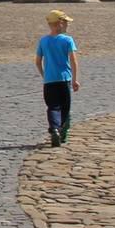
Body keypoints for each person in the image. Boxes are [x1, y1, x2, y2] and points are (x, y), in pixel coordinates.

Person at [36, 10, 80, 147]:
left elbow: (38, 61)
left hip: (49, 81)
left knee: (53, 107)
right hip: (64, 79)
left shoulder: (43, 41)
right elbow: (73, 61)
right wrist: (75, 79)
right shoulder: (67, 40)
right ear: (60, 24)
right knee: (65, 108)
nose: (67, 25)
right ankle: (61, 132)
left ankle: (54, 128)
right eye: (66, 22)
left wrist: (44, 75)